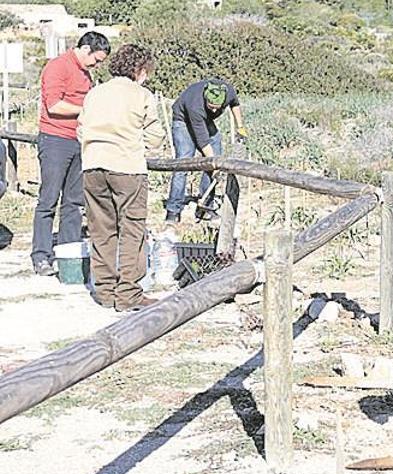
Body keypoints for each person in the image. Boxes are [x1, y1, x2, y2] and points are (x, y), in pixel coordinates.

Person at [78, 44, 165, 311]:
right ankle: (128, 294)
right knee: (132, 229)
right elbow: (155, 136)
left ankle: (104, 291)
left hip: (92, 165)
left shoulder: (95, 93)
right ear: (139, 70)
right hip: (127, 166)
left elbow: (81, 129)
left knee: (100, 229)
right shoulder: (142, 95)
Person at [32, 31, 110, 276]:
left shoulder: (86, 73)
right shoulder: (58, 67)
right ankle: (41, 256)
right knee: (48, 200)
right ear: (85, 49)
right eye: (96, 60)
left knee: (74, 202)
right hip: (55, 140)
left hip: (78, 140)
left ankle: (68, 253)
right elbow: (54, 106)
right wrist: (88, 109)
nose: (97, 65)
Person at [164, 78, 247, 223]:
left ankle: (205, 207)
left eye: (217, 107)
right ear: (205, 98)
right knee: (183, 163)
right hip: (182, 120)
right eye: (211, 106)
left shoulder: (228, 91)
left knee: (215, 154)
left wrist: (240, 127)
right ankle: (173, 210)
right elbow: (203, 142)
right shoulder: (196, 105)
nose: (215, 110)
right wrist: (214, 166)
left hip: (205, 121)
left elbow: (235, 104)